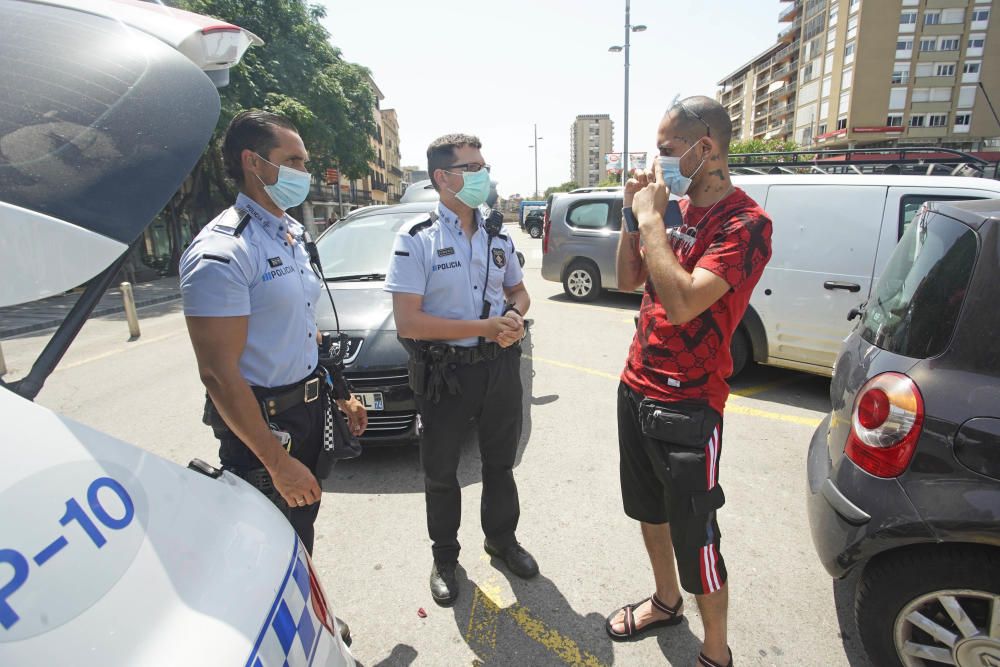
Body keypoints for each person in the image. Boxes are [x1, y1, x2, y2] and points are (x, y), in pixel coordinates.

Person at [604, 97, 773, 667]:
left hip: (690, 405)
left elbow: (680, 305)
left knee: (696, 537)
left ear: (706, 148)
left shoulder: (746, 224)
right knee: (648, 511)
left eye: (667, 150)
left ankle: (716, 652)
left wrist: (652, 219)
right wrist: (635, 217)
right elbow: (631, 279)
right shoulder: (671, 210)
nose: (658, 163)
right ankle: (665, 600)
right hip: (636, 385)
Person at [179, 110, 367, 555]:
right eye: (295, 161)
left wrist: (341, 392)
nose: (305, 172)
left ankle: (306, 614)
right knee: (269, 545)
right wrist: (277, 463)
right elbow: (219, 375)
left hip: (306, 413)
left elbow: (303, 330)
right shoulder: (223, 252)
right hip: (263, 430)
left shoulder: (292, 235)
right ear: (254, 162)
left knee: (301, 530)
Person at [385, 134, 537, 606]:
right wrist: (486, 326)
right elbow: (409, 321)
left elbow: (519, 291)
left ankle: (501, 540)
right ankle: (446, 557)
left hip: (498, 368)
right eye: (471, 167)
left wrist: (511, 319)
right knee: (442, 472)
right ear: (442, 178)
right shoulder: (417, 241)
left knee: (499, 462)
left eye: (483, 165)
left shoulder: (498, 234)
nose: (482, 175)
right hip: (446, 374)